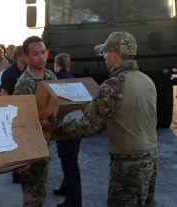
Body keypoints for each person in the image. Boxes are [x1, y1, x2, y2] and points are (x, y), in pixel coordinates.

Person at [43, 31, 158, 207]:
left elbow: (90, 124)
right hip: (151, 160)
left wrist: (57, 128)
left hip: (128, 165)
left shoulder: (114, 85)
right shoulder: (147, 81)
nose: (104, 58)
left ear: (113, 54)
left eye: (105, 53)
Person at [13, 36, 57, 207]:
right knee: (32, 197)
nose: (41, 57)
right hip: (30, 148)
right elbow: (20, 121)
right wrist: (40, 122)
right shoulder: (23, 85)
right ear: (26, 56)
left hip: (46, 143)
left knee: (41, 191)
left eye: (43, 53)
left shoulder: (50, 75)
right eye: (35, 54)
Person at [52, 53, 82, 207]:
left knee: (69, 164)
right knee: (71, 159)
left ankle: (74, 201)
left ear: (57, 64)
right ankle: (66, 187)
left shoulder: (56, 79)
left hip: (64, 127)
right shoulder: (72, 77)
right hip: (76, 124)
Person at [0, 45, 26, 183]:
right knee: (15, 144)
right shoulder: (9, 73)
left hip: (27, 113)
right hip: (13, 113)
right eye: (25, 54)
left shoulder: (29, 70)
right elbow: (4, 93)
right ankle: (16, 173)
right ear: (19, 57)